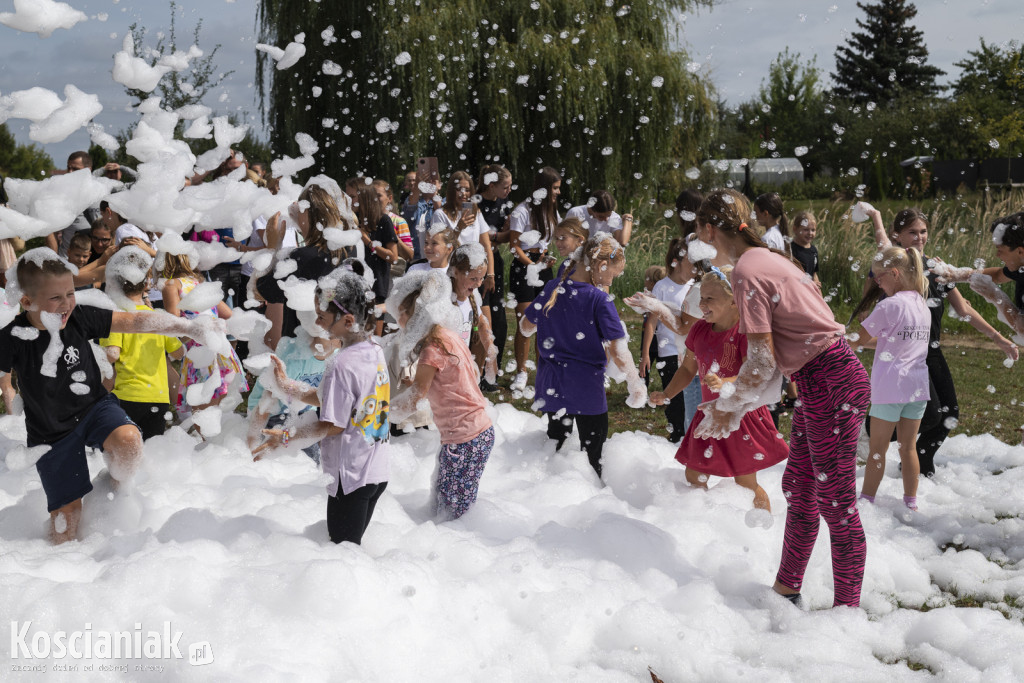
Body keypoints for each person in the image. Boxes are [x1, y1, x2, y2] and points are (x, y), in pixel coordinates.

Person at [691, 188, 870, 609]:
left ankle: (848, 613)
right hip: (823, 381)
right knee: (800, 486)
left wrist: (727, 406)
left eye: (697, 230)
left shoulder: (747, 271)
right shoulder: (765, 259)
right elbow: (771, 367)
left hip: (831, 381)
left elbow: (759, 360)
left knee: (835, 501)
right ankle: (787, 588)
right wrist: (735, 405)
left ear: (708, 229)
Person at [0, 248, 229, 543]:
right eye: (56, 298)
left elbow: (136, 322)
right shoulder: (13, 338)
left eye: (70, 293)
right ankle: (63, 567)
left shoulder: (79, 316)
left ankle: (115, 489)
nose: (67, 303)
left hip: (94, 407)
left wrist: (188, 328)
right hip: (50, 433)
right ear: (27, 301)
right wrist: (8, 400)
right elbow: (5, 383)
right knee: (66, 521)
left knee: (130, 442)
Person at [860, 205, 1017, 476]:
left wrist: (1000, 338)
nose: (919, 237)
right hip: (904, 354)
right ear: (898, 235)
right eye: (912, 232)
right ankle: (865, 432)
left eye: (923, 232)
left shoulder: (938, 268)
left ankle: (921, 464)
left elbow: (964, 310)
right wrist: (875, 216)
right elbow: (882, 243)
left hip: (931, 350)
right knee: (931, 414)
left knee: (949, 413)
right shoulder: (895, 268)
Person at [254, 268, 390, 545]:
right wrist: (287, 386)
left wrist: (288, 437)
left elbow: (333, 424)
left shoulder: (342, 363)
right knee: (349, 552)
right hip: (376, 469)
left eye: (323, 317)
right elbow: (329, 397)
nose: (317, 322)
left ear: (348, 320)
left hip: (350, 477)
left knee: (341, 552)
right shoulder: (373, 349)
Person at [650, 267, 788, 510]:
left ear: (735, 300)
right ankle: (708, 521)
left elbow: (752, 375)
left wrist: (725, 383)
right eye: (701, 297)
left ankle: (765, 527)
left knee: (744, 482)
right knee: (695, 475)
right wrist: (667, 394)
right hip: (709, 414)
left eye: (709, 299)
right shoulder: (699, 330)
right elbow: (686, 370)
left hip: (739, 414)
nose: (701, 304)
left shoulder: (745, 333)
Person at [520, 235, 647, 478]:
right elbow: (619, 351)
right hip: (585, 386)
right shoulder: (598, 299)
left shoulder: (552, 288)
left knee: (554, 451)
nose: (612, 280)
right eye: (613, 275)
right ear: (601, 266)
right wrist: (635, 384)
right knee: (593, 458)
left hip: (550, 382)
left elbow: (526, 327)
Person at [388, 271, 494, 519]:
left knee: (453, 510)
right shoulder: (449, 337)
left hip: (465, 438)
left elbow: (416, 396)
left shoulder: (431, 350)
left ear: (415, 317)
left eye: (400, 315)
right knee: (447, 502)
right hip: (477, 432)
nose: (397, 320)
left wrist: (383, 413)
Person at [853, 246, 930, 511]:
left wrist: (832, 339)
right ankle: (911, 502)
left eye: (879, 277)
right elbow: (895, 342)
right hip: (917, 388)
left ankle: (866, 501)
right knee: (909, 448)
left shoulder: (889, 305)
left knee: (877, 449)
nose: (876, 282)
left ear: (895, 274)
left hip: (889, 388)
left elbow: (858, 340)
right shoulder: (922, 303)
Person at [99, 248, 185, 440]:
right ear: (146, 282)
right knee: (151, 455)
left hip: (127, 396)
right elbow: (179, 352)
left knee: (125, 456)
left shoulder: (117, 317)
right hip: (158, 397)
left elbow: (112, 354)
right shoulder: (157, 317)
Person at [256, 184, 350, 350]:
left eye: (299, 208)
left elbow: (259, 292)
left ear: (307, 213)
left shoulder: (302, 257)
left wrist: (272, 246)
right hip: (337, 346)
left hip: (301, 349)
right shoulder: (346, 252)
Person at [162, 253, 247, 415]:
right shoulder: (200, 284)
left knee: (203, 413)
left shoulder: (172, 285)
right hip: (221, 348)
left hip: (199, 351)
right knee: (221, 412)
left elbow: (173, 323)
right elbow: (228, 314)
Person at [247, 329, 338, 464]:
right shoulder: (297, 357)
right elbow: (267, 400)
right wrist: (252, 441)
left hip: (303, 410)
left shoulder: (336, 357)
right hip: (272, 412)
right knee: (281, 460)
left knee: (313, 459)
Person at [509, 167, 562, 391]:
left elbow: (554, 238)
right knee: (525, 323)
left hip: (543, 268)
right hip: (524, 268)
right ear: (544, 188)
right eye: (555, 188)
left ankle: (543, 372)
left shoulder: (551, 211)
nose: (558, 192)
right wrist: (532, 266)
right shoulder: (522, 211)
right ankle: (521, 372)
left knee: (545, 323)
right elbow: (514, 247)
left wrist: (546, 261)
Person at [641, 237, 693, 442]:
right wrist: (645, 353)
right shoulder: (662, 286)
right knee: (673, 399)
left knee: (691, 398)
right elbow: (651, 323)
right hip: (668, 352)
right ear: (676, 262)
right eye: (690, 262)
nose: (695, 268)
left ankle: (690, 437)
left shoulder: (694, 286)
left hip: (689, 352)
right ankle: (677, 437)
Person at [476, 164, 514, 372]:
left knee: (499, 316)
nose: (509, 191)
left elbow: (509, 235)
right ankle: (478, 366)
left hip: (495, 262)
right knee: (480, 314)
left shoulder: (505, 203)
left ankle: (494, 369)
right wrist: (490, 237)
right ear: (491, 185)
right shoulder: (475, 203)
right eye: (505, 187)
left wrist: (493, 237)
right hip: (476, 264)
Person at [448, 243, 498, 387]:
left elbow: (481, 323)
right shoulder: (445, 299)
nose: (478, 284)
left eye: (482, 278)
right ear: (455, 272)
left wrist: (491, 351)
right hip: (443, 366)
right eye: (473, 279)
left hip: (461, 364)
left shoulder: (473, 296)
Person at [353, 185, 400, 309]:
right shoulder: (354, 221)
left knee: (374, 327)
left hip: (376, 287)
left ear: (365, 201)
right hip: (355, 288)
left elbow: (393, 257)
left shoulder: (383, 221)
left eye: (355, 198)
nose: (352, 201)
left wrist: (368, 242)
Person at [46, 151, 100, 258]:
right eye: (68, 168)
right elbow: (50, 229)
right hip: (67, 261)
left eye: (75, 169)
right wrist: (54, 259)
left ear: (88, 170)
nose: (70, 172)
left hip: (94, 260)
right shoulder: (61, 194)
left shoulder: (101, 192)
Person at [565, 190, 634, 245]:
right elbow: (565, 237)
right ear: (591, 208)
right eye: (601, 216)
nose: (606, 219)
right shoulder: (576, 213)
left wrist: (628, 220)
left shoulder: (613, 217)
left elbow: (623, 242)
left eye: (608, 216)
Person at [372, 179, 414, 262]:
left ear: (389, 198)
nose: (374, 199)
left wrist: (393, 236)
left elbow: (409, 256)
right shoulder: (366, 221)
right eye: (371, 196)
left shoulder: (398, 221)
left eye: (378, 195)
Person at [790, 210, 819, 283]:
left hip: (810, 291)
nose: (810, 233)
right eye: (806, 229)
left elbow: (814, 274)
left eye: (813, 230)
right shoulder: (790, 249)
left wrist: (818, 292)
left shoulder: (813, 250)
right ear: (795, 229)